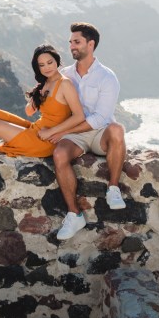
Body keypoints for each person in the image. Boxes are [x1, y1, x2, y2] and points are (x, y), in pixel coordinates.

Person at [38, 22, 127, 240]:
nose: (72, 46)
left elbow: (99, 118)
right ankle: (74, 213)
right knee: (59, 154)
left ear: (91, 44)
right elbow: (47, 97)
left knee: (117, 129)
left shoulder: (107, 77)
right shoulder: (65, 74)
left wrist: (59, 132)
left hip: (99, 133)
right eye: (70, 43)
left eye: (76, 42)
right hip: (74, 134)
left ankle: (113, 188)